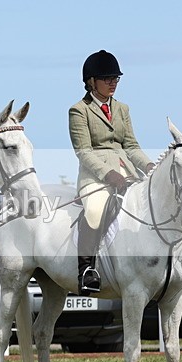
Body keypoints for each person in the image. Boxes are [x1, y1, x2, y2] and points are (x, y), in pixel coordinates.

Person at [69, 50, 154, 296]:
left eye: (116, 78)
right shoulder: (79, 111)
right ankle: (86, 270)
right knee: (95, 211)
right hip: (95, 177)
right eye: (107, 78)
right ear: (91, 82)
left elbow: (131, 146)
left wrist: (149, 166)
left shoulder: (122, 109)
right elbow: (83, 152)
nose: (113, 82)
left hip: (127, 173)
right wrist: (108, 174)